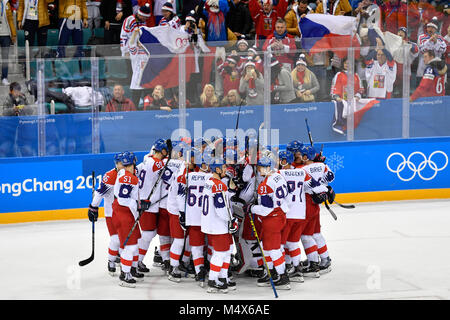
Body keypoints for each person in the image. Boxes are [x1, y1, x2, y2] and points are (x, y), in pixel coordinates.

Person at [243, 155, 291, 290]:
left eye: (260, 167)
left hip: (272, 219)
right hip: (280, 216)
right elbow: (287, 198)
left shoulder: (265, 185)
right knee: (265, 246)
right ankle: (272, 272)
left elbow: (265, 210)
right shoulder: (279, 176)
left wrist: (251, 208)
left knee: (273, 249)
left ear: (267, 167)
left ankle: (282, 276)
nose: (258, 169)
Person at [177, 149, 212, 287]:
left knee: (196, 247)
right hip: (208, 217)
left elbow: (180, 196)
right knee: (211, 244)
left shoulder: (188, 176)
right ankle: (211, 267)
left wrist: (182, 213)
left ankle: (199, 271)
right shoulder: (212, 178)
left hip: (193, 217)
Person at [298, 145, 335, 276]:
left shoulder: (302, 169)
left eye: (301, 154)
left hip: (306, 204)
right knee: (316, 233)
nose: (298, 156)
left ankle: (313, 263)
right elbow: (330, 177)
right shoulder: (322, 166)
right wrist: (325, 188)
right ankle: (325, 259)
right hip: (315, 205)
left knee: (306, 235)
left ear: (306, 156)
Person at [202, 160, 237, 293]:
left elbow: (221, 199)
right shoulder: (218, 185)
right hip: (218, 225)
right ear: (217, 170)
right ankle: (213, 280)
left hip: (211, 223)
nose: (225, 170)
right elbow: (221, 209)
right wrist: (231, 220)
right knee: (221, 252)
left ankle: (222, 278)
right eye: (223, 168)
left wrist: (231, 192)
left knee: (228, 249)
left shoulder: (209, 182)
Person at [135, 139, 169, 274]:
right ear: (162, 151)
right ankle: (135, 261)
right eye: (166, 151)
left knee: (151, 232)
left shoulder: (148, 159)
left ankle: (136, 259)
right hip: (147, 203)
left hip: (149, 202)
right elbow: (166, 165)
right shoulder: (156, 163)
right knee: (148, 234)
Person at [88, 153, 124, 276]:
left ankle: (121, 256)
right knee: (116, 239)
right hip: (112, 214)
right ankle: (111, 260)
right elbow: (99, 193)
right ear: (117, 164)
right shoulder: (110, 176)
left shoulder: (131, 173)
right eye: (121, 163)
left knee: (126, 240)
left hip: (126, 214)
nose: (124, 165)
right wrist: (93, 207)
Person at [111, 151, 142, 287]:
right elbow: (124, 199)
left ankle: (130, 269)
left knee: (132, 244)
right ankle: (125, 274)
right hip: (125, 213)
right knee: (130, 246)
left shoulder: (123, 173)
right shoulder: (129, 178)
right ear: (133, 161)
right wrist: (137, 205)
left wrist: (139, 203)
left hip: (121, 211)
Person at [0, 0, 16, 86]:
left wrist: (13, 34)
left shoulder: (6, 3)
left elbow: (10, 19)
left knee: (5, 58)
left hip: (5, 34)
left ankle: (4, 77)